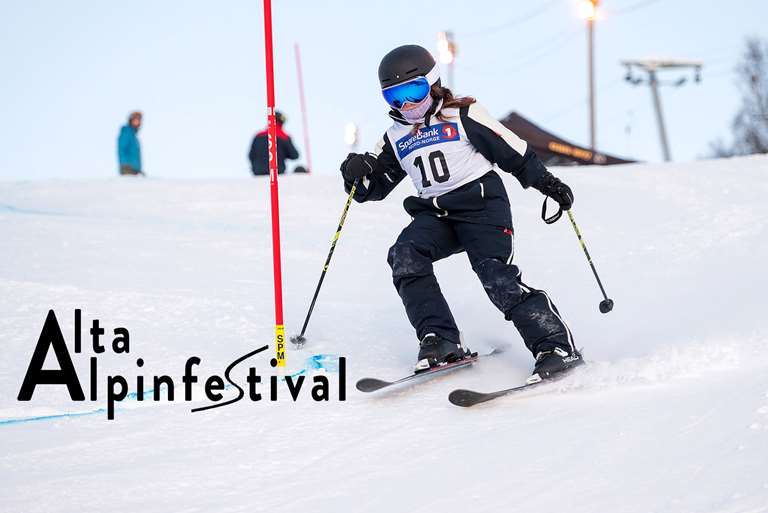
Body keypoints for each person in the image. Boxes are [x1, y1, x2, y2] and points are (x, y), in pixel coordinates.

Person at [339, 45, 582, 383]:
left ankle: (554, 346)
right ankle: (440, 339)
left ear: (433, 83)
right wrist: (355, 172)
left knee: (495, 275)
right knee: (405, 254)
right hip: (437, 214)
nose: (406, 105)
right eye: (395, 97)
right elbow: (372, 188)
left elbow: (514, 153)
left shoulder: (463, 114)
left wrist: (548, 184)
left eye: (414, 92)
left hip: (482, 207)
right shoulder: (394, 137)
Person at [248, 111, 299, 175]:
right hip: (277, 174)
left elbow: (250, 155)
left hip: (258, 174)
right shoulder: (284, 137)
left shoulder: (258, 136)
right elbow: (294, 155)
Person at [117, 111, 144, 176]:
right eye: (136, 120)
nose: (138, 122)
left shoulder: (133, 135)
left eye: (139, 120)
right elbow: (122, 149)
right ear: (131, 120)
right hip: (128, 168)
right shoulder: (126, 132)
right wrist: (126, 164)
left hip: (135, 168)